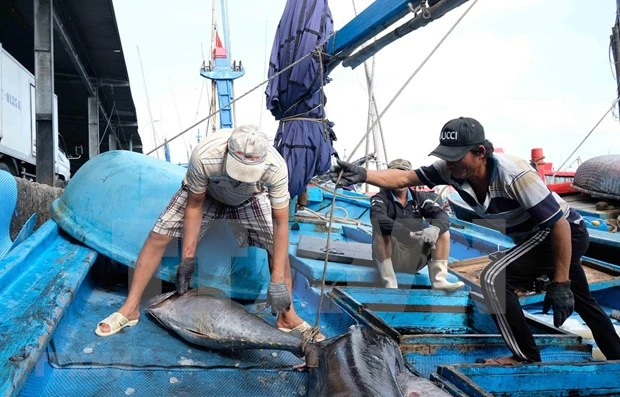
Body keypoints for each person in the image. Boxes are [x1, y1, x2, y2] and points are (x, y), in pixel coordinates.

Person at [330, 117, 620, 364]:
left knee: (495, 278)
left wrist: (560, 283)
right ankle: (617, 354)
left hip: (561, 233)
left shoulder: (513, 174)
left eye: (457, 156)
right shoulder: (451, 171)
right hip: (536, 237)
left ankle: (524, 356)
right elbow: (404, 177)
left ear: (480, 152)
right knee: (584, 301)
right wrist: (365, 174)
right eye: (446, 155)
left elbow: (558, 224)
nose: (450, 164)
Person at [96, 124, 324, 342]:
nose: (239, 178)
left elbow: (280, 222)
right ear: (227, 153)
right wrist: (187, 258)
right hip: (208, 195)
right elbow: (194, 205)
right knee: (158, 234)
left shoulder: (276, 167)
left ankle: (287, 317)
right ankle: (131, 308)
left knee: (279, 251)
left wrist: (276, 282)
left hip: (250, 198)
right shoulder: (205, 154)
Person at [370, 158, 463, 291]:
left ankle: (439, 280)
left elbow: (441, 215)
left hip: (415, 258)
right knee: (381, 232)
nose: (399, 179)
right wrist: (408, 234)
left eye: (403, 175)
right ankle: (389, 282)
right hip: (393, 256)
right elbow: (378, 219)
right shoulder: (380, 198)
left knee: (443, 232)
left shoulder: (420, 198)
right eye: (395, 175)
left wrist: (435, 229)